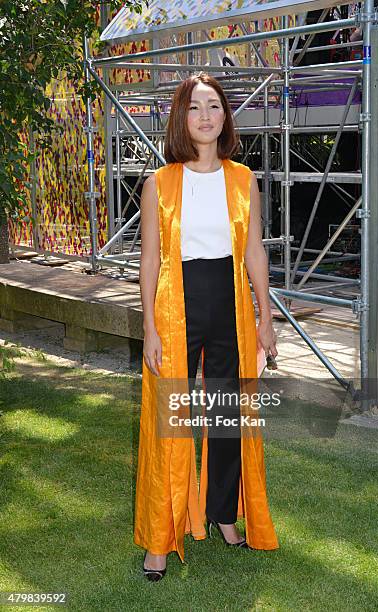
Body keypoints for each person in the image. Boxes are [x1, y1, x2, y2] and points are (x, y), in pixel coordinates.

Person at [135, 72, 279, 582]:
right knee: (172, 417)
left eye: (213, 106)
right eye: (194, 107)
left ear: (224, 117)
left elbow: (255, 252)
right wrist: (149, 326)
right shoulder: (159, 184)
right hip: (177, 302)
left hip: (230, 302)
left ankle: (221, 513)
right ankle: (160, 538)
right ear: (182, 118)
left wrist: (266, 317)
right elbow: (150, 261)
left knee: (227, 417)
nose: (204, 115)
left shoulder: (243, 179)